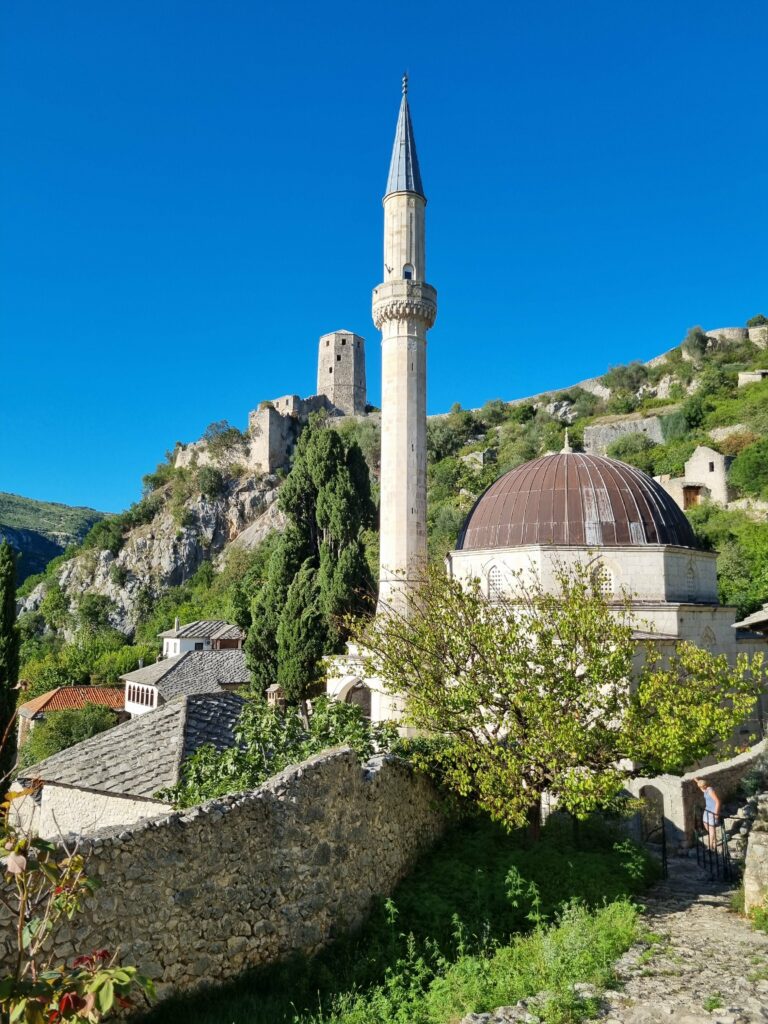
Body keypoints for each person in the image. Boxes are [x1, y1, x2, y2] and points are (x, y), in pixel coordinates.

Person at [695, 777, 721, 850]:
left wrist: (716, 813)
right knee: (706, 824)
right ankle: (715, 840)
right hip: (707, 810)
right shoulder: (705, 789)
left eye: (701, 787)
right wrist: (696, 780)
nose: (701, 788)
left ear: (705, 785)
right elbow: (702, 789)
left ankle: (710, 846)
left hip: (713, 811)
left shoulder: (710, 790)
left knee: (711, 829)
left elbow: (718, 802)